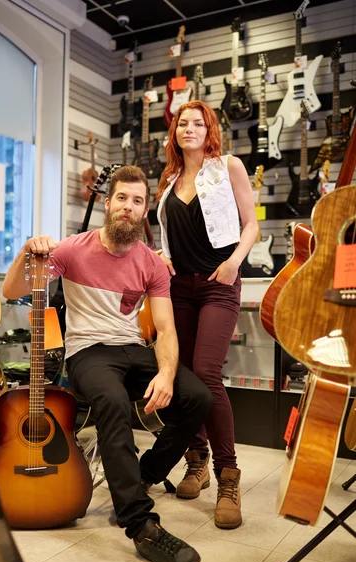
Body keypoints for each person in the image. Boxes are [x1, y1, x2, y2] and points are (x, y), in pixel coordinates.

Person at [2, 165, 213, 562]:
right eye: (122, 198)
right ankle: (141, 525)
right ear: (107, 202)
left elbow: (166, 329)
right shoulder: (71, 249)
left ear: (145, 210)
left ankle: (142, 476)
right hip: (88, 352)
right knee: (112, 403)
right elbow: (12, 291)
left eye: (137, 201)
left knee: (198, 398)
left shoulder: (151, 264)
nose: (128, 208)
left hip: (134, 348)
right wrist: (27, 250)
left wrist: (167, 374)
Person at [155, 100, 258, 530]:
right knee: (181, 373)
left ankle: (228, 478)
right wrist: (161, 253)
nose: (189, 129)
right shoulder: (168, 178)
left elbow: (251, 224)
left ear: (209, 129)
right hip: (179, 289)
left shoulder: (228, 166)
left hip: (219, 282)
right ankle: (195, 459)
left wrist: (235, 262)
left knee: (207, 372)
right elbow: (166, 235)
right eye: (183, 123)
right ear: (174, 132)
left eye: (198, 123)